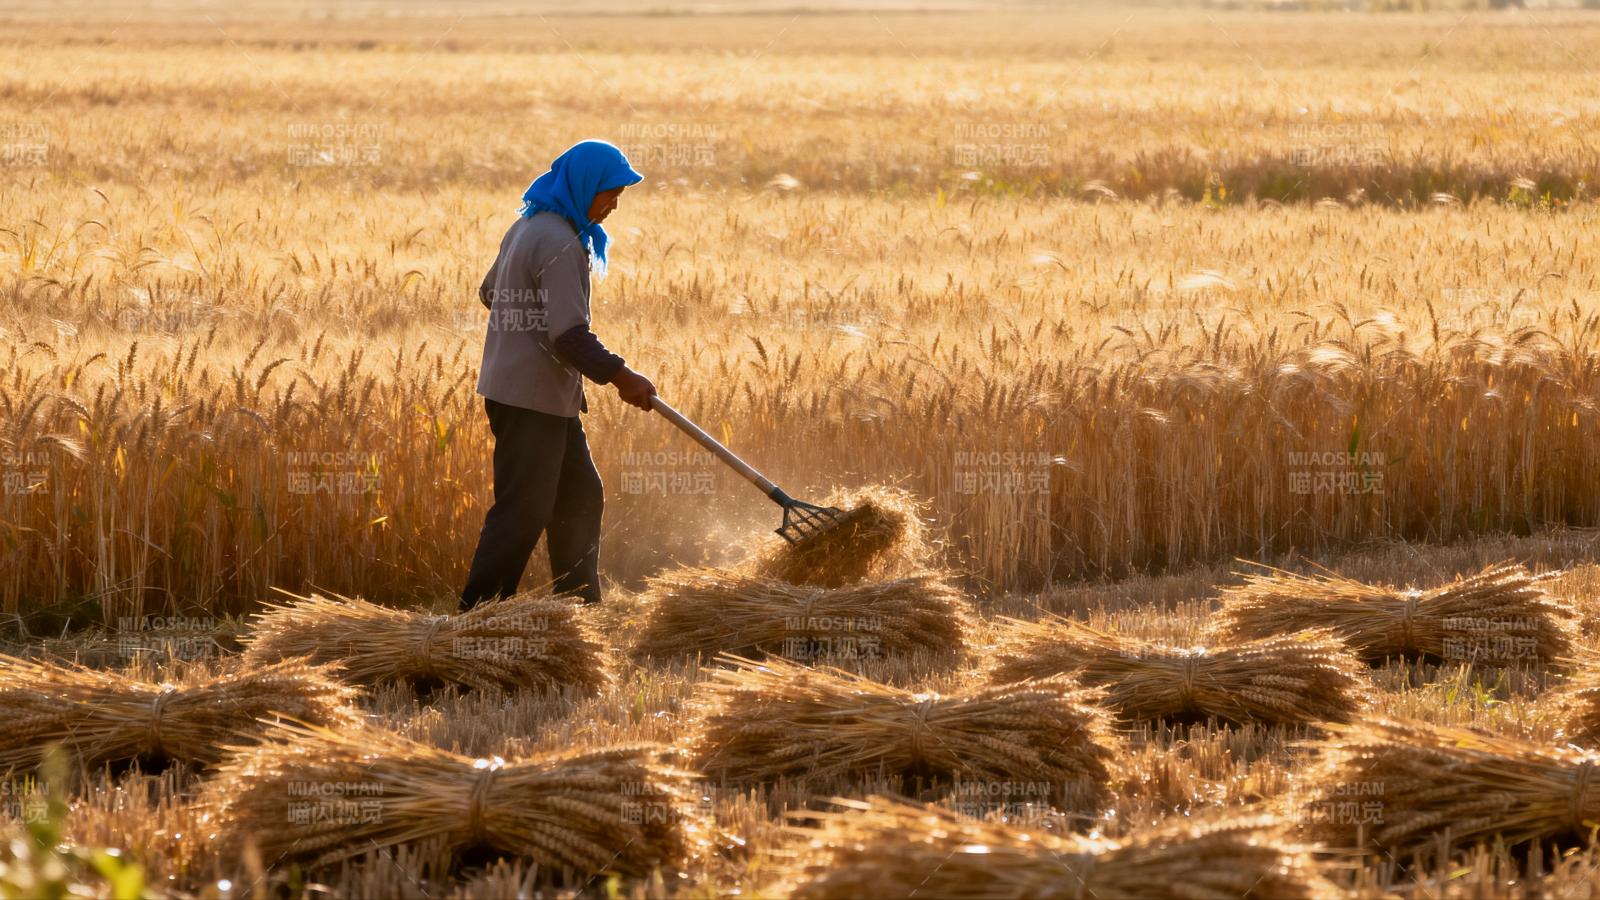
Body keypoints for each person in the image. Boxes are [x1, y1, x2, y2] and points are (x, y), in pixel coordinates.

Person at [459, 140, 656, 611]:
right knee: (521, 512)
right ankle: (475, 619)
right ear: (584, 186)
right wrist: (622, 375)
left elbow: (491, 293)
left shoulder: (529, 224)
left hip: (536, 396)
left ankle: (576, 612)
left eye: (618, 197)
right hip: (531, 400)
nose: (612, 206)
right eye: (608, 194)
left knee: (579, 498)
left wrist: (524, 335)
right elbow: (569, 336)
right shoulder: (561, 241)